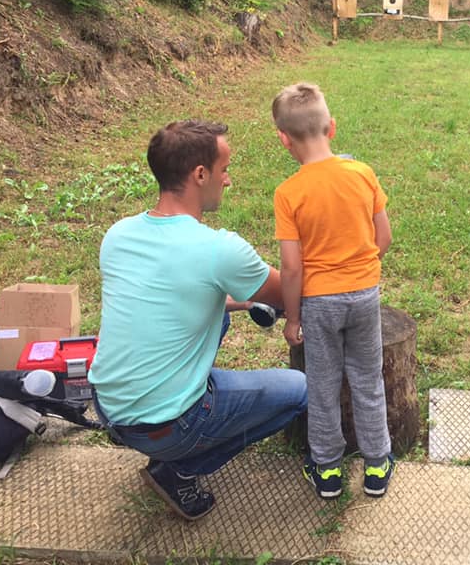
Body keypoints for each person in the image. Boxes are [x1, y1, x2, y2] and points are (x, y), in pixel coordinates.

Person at [88, 119, 308, 521]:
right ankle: (180, 468)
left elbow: (171, 297)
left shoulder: (118, 235)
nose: (228, 180)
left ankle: (168, 431)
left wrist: (242, 303)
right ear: (200, 174)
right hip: (166, 424)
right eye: (224, 170)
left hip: (108, 406)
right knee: (298, 391)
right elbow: (289, 294)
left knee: (219, 319)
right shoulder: (218, 250)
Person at [272, 82, 394, 499]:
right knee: (368, 379)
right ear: (332, 127)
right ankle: (376, 464)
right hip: (364, 295)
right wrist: (359, 270)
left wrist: (293, 318)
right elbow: (383, 238)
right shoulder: (363, 174)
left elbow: (291, 267)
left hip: (319, 304)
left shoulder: (288, 193)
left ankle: (327, 470)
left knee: (322, 386)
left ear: (284, 139)